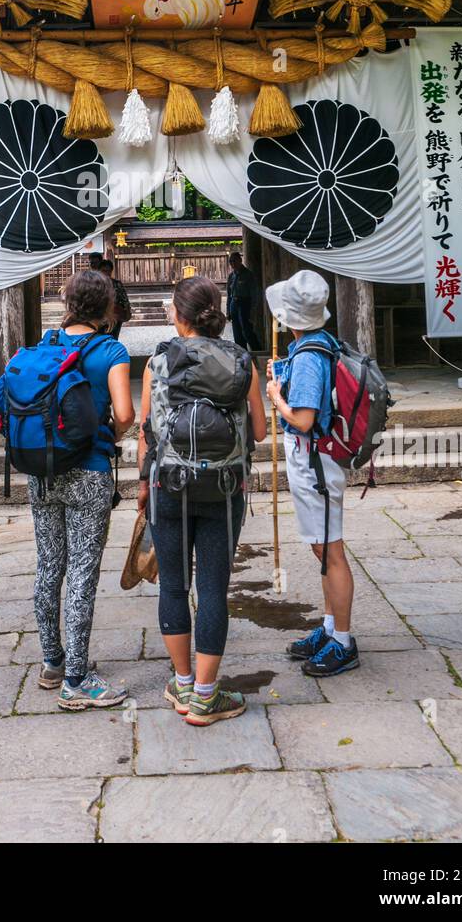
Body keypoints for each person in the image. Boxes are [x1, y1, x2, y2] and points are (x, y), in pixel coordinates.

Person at [137, 276, 268, 724]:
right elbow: (261, 432)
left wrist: (142, 485)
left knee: (174, 585)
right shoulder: (241, 361)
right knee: (214, 589)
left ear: (178, 315)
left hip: (166, 486)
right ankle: (208, 697)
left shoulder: (157, 362)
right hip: (225, 486)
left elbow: (147, 431)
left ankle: (184, 682)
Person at [30, 268, 136, 709]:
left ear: (67, 302)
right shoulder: (110, 350)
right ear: (107, 307)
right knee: (82, 572)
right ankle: (77, 679)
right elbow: (126, 414)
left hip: (42, 471)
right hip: (90, 472)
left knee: (49, 565)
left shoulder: (44, 347)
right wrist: (110, 429)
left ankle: (52, 662)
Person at [265, 269, 359, 677]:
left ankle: (343, 640)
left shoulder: (307, 357)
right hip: (318, 460)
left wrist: (274, 397)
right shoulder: (319, 345)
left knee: (329, 551)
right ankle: (328, 626)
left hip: (314, 461)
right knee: (323, 549)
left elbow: (302, 419)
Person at [225, 250, 262, 352]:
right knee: (236, 331)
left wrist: (253, 309)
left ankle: (257, 351)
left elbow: (254, 293)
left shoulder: (248, 274)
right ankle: (242, 352)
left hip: (245, 303)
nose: (233, 264)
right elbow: (229, 294)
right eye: (231, 262)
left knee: (246, 330)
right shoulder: (231, 276)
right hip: (234, 303)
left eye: (235, 261)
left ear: (240, 260)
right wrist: (228, 311)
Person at [100, 258, 132, 338]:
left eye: (108, 271)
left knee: (113, 337)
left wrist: (127, 312)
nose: (106, 273)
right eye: (104, 271)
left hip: (115, 314)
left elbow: (124, 299)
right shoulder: (95, 284)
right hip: (100, 315)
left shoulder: (116, 284)